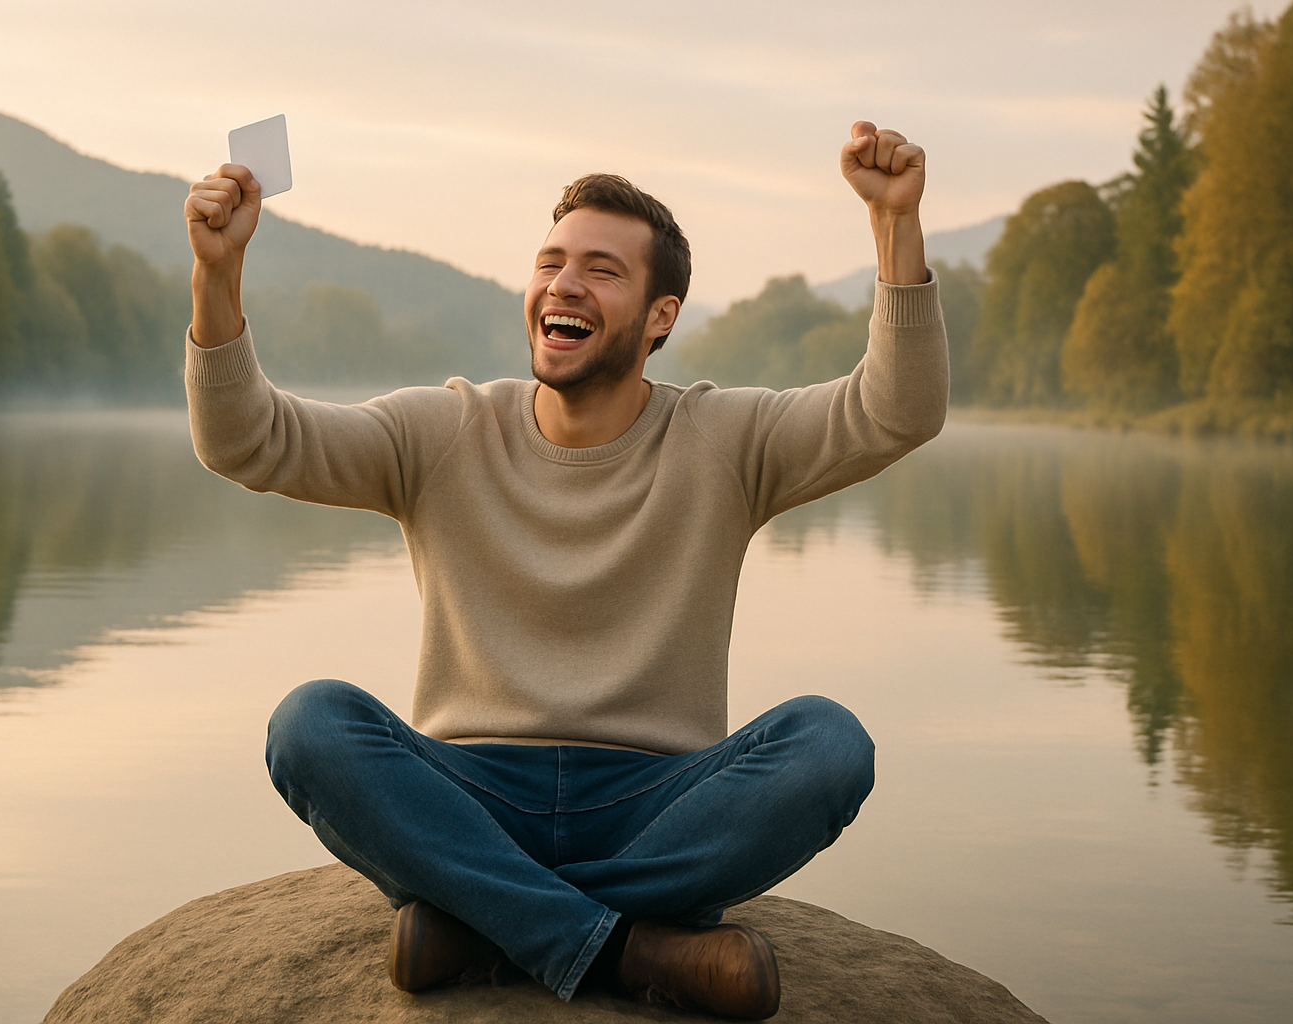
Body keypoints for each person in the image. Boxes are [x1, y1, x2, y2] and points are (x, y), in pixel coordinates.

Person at [182, 121, 947, 1020]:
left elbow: (896, 411)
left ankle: (484, 921)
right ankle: (625, 945)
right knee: (310, 722)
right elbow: (248, 441)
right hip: (472, 792)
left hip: (658, 801)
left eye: (602, 269)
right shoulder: (444, 430)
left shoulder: (727, 439)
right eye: (551, 262)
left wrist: (896, 225)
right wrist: (216, 275)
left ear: (662, 317)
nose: (563, 284)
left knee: (829, 744)